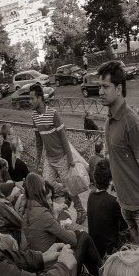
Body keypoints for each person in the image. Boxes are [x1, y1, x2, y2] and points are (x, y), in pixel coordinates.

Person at [98, 61, 139, 241]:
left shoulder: (132, 122)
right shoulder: (109, 120)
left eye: (105, 87)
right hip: (124, 205)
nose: (100, 92)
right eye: (99, 87)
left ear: (118, 89)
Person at [20, 173, 104, 276]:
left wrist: (55, 216)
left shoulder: (26, 211)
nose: (50, 202)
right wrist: (69, 226)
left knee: (79, 235)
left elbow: (44, 231)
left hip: (42, 266)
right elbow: (73, 240)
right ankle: (102, 274)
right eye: (48, 197)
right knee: (83, 236)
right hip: (56, 273)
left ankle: (95, 272)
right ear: (38, 192)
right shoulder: (43, 214)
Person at [29, 84, 86, 215]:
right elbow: (39, 141)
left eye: (32, 99)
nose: (30, 101)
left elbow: (64, 138)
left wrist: (70, 159)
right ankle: (65, 195)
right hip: (49, 159)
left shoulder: (53, 114)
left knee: (71, 187)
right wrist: (38, 160)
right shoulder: (34, 117)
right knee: (45, 186)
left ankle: (81, 211)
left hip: (62, 158)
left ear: (39, 98)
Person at [87, 157, 129, 258]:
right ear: (111, 181)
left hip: (95, 246)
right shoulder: (113, 202)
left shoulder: (91, 195)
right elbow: (124, 226)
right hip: (108, 250)